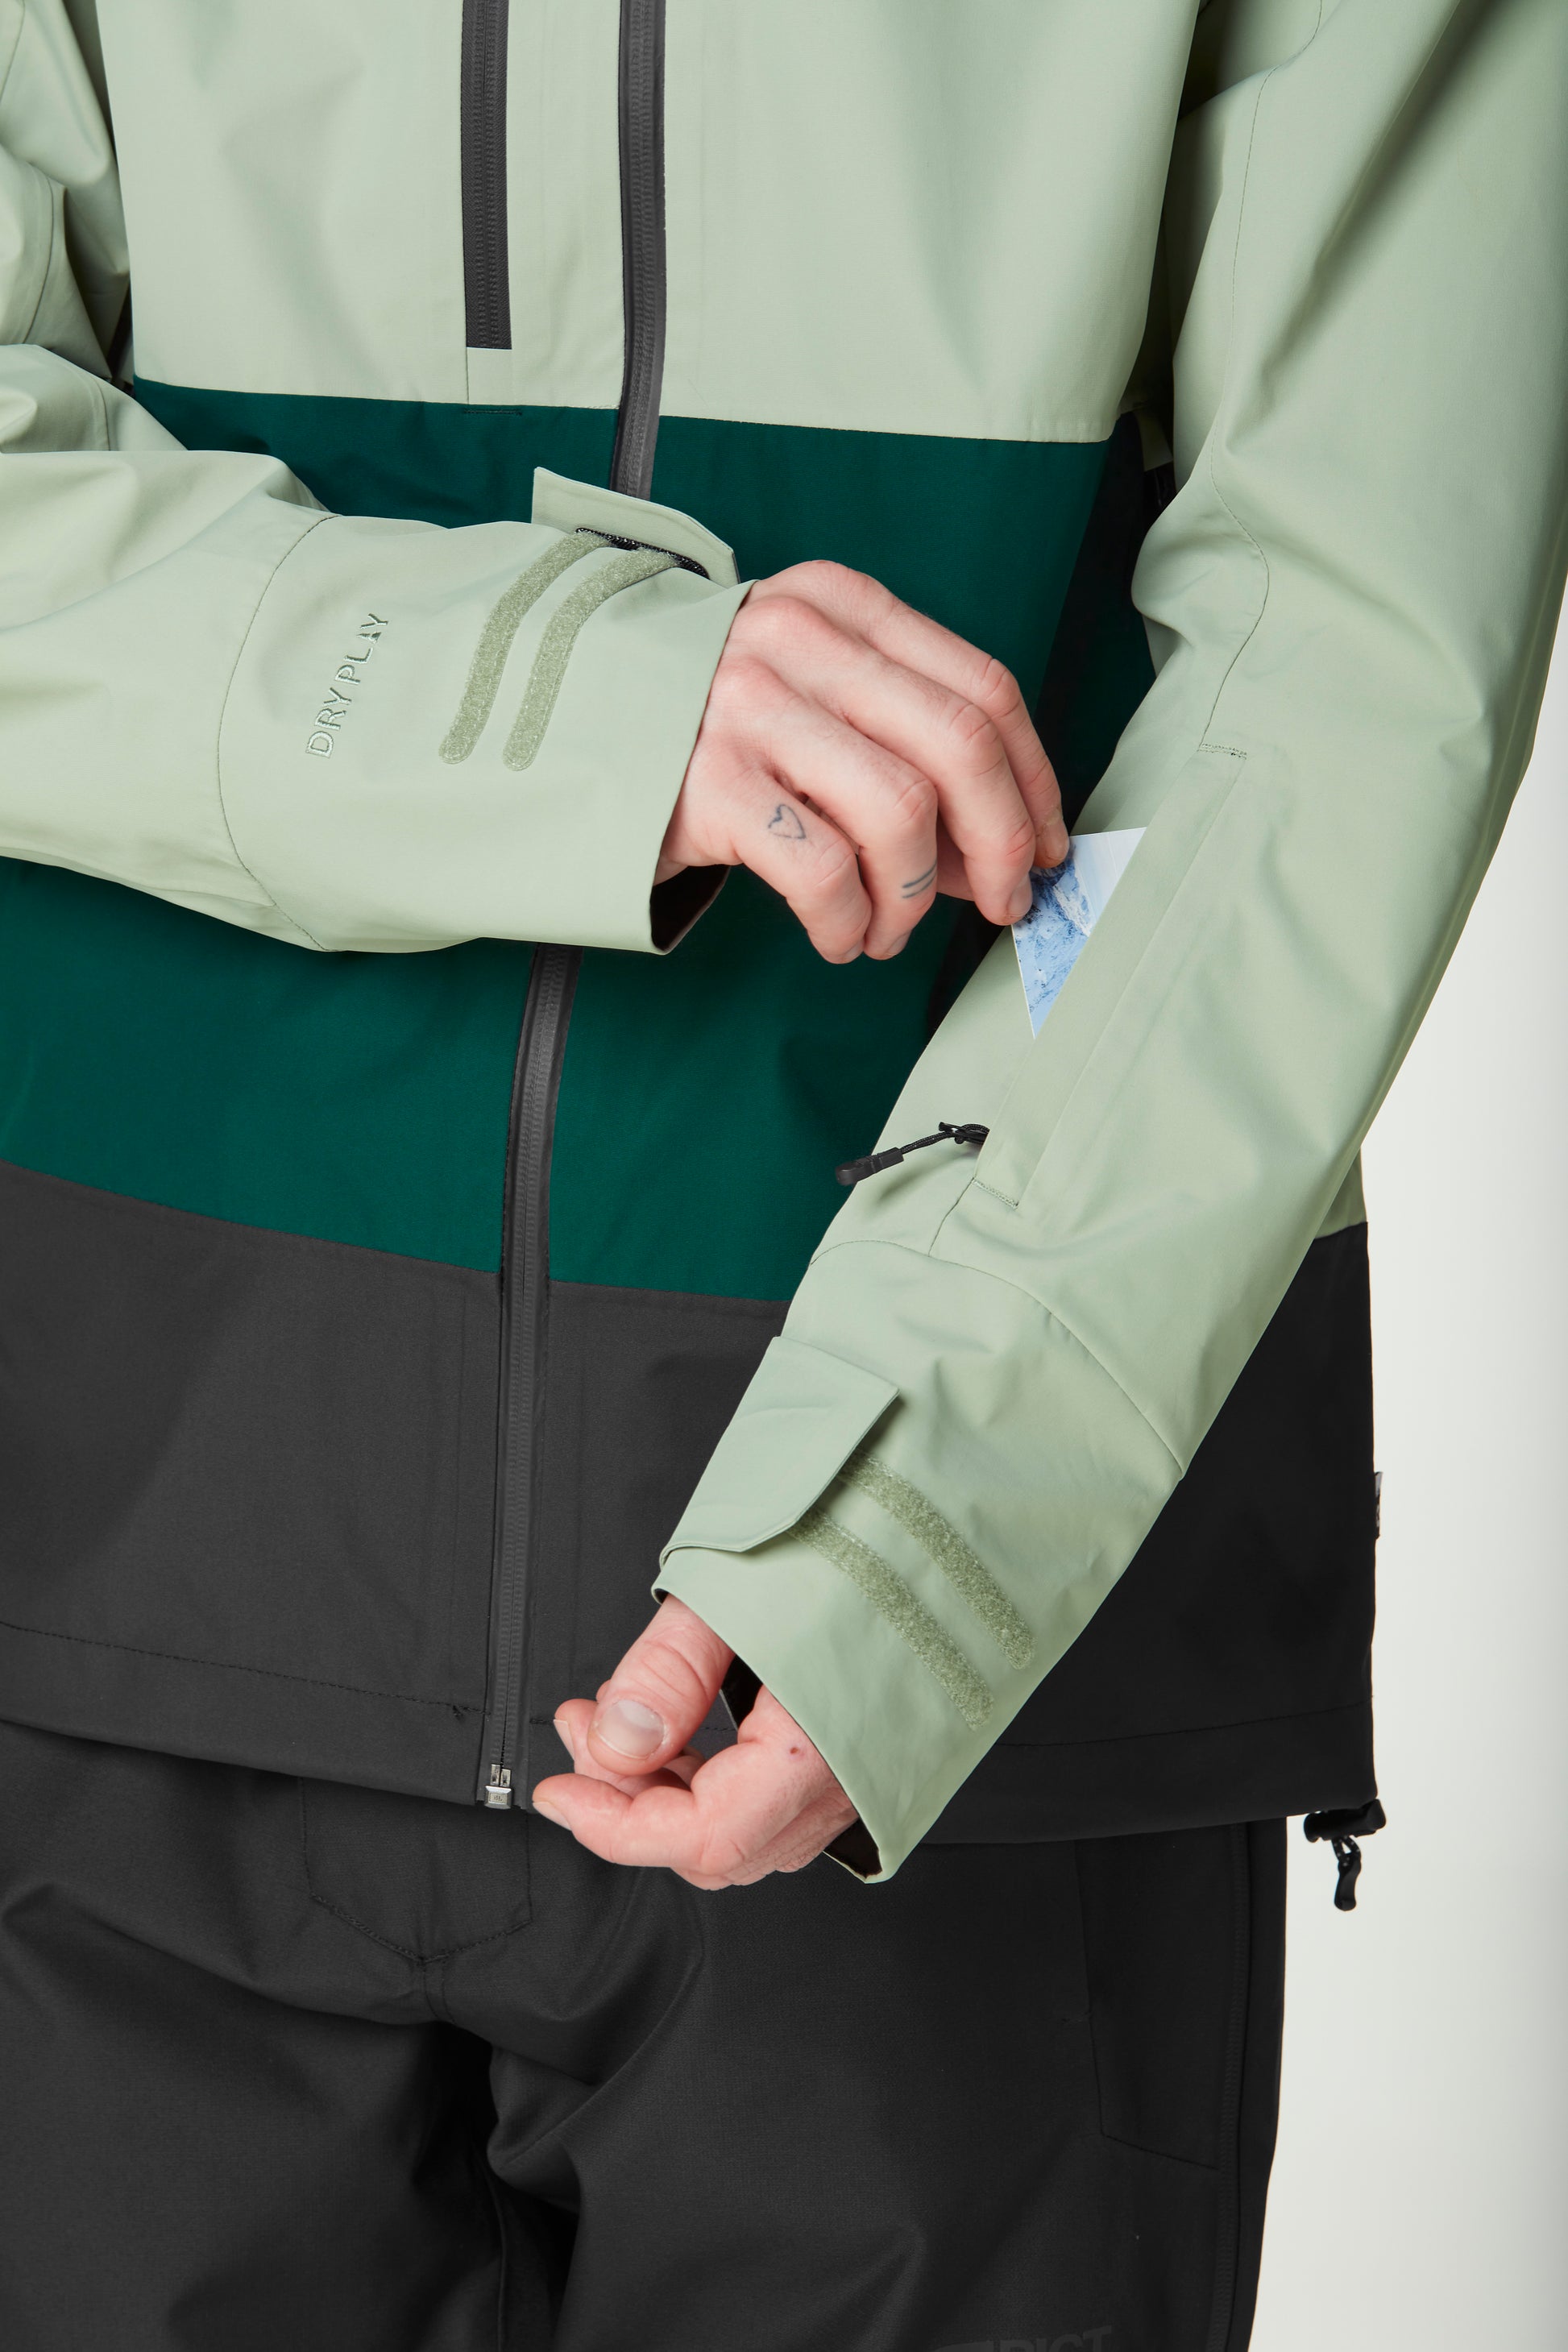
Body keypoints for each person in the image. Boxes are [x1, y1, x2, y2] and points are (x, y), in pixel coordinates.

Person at [1, 2, 1563, 2346]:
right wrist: (572, 697)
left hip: (954, 1715)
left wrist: (926, 1520)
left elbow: (1346, 659)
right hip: (126, 1587)